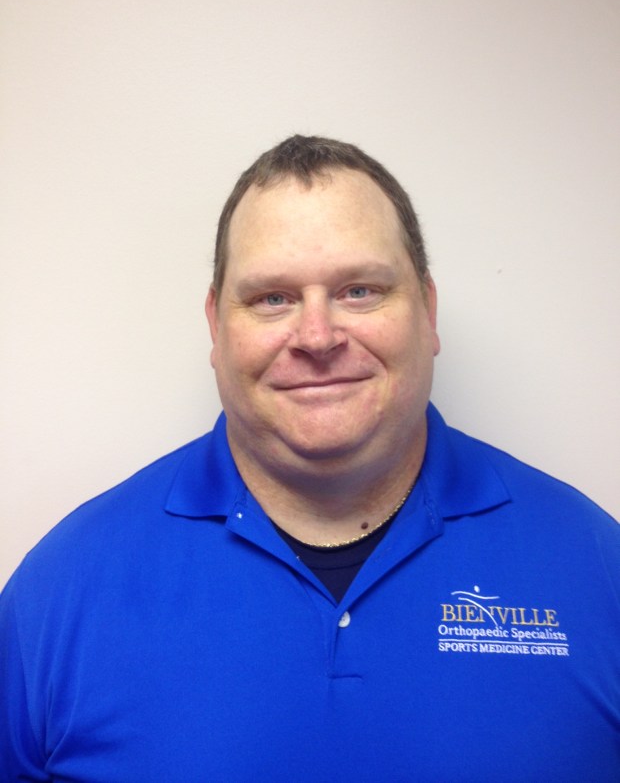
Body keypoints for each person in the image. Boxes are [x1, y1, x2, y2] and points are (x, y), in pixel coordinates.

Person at [0, 135, 618, 782]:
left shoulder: (596, 568)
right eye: (272, 297)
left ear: (427, 312)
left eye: (359, 290)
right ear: (217, 326)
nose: (317, 337)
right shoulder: (62, 590)